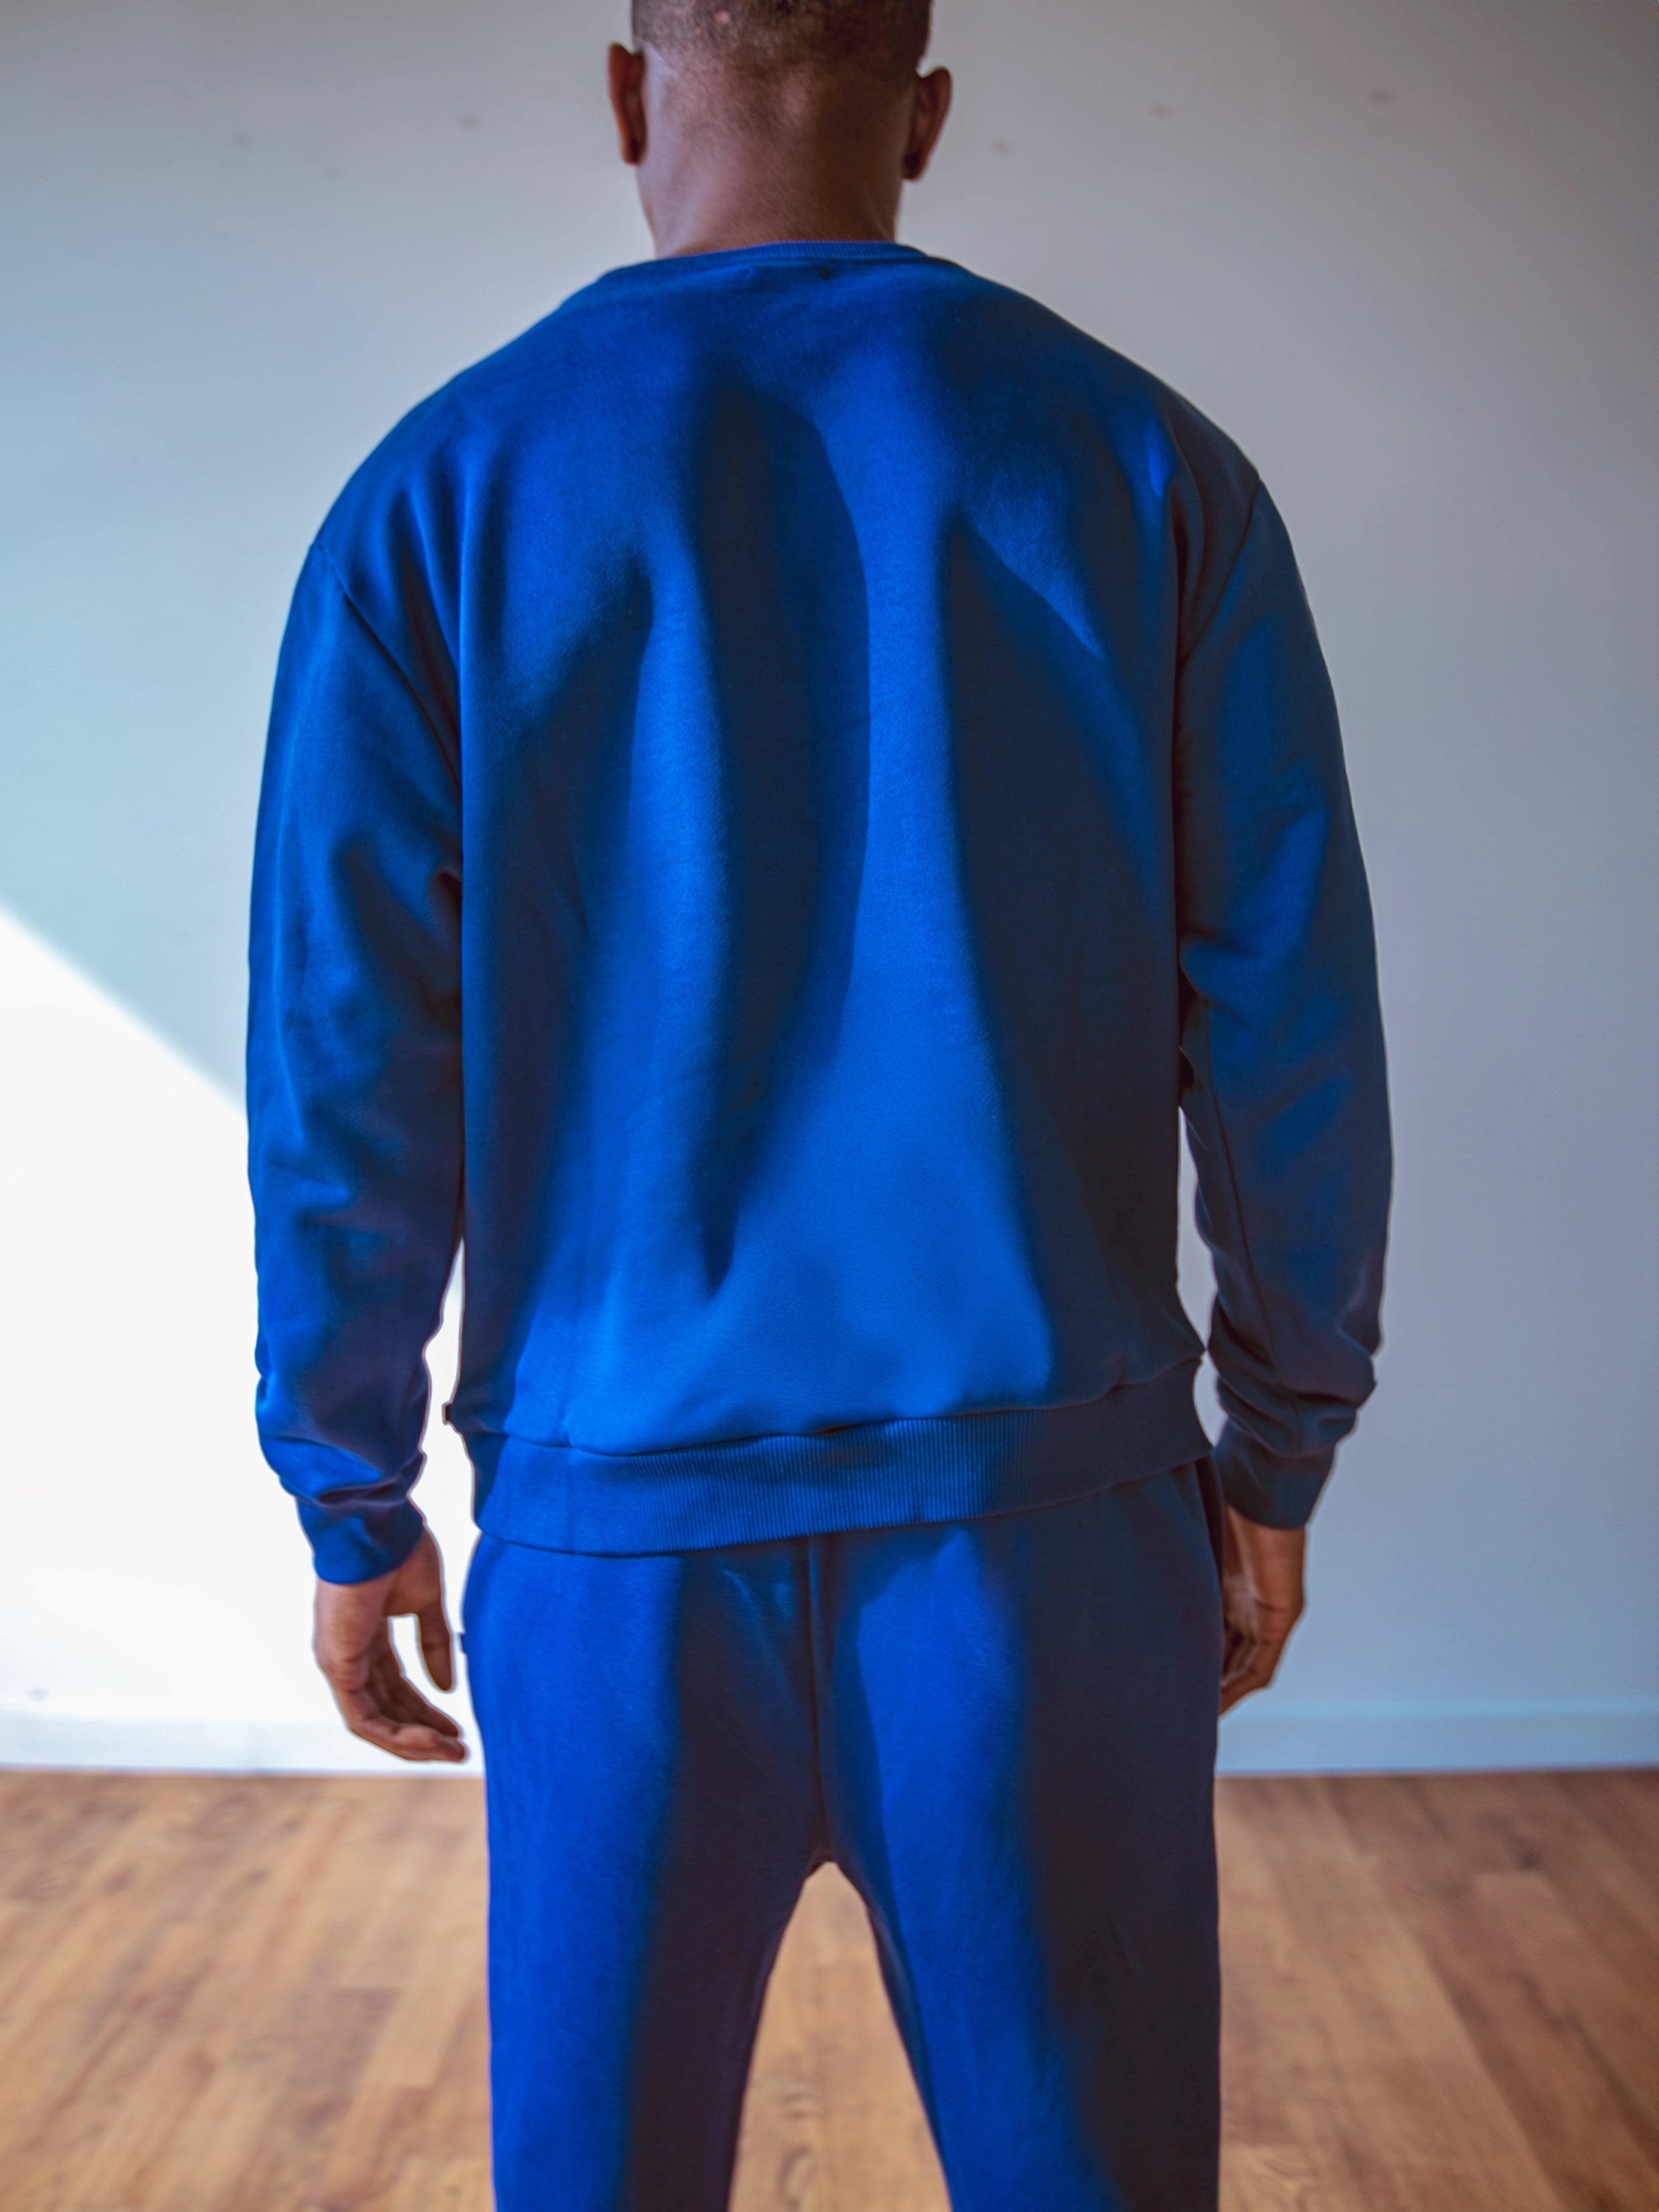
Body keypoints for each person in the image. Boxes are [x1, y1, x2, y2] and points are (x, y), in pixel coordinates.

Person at [246, 1, 1391, 2204]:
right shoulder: (1144, 464)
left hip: (617, 1545)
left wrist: (348, 1486)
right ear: (925, 115)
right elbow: (1291, 1019)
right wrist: (1282, 1442)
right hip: (1045, 1534)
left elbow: (346, 1055)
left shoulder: (442, 490)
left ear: (624, 89)